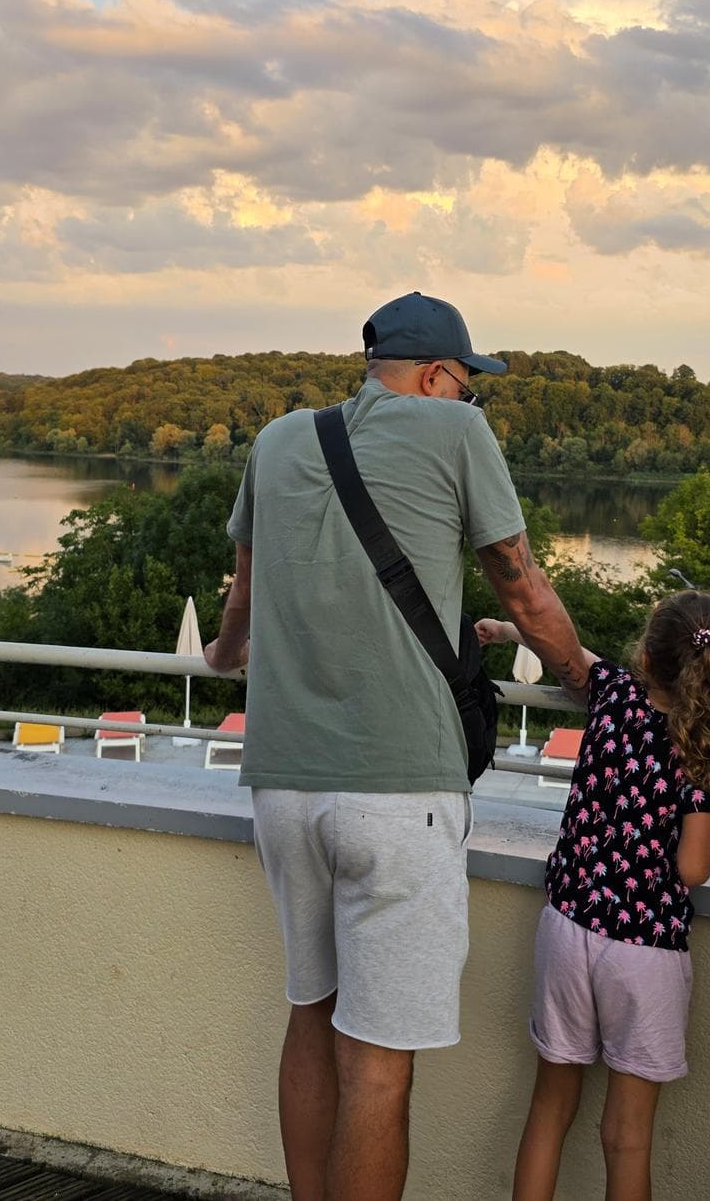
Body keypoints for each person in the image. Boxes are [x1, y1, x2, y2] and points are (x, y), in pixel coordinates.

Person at [203, 292, 590, 1201]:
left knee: (311, 1013)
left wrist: (222, 659)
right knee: (377, 1064)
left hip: (283, 783)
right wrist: (580, 670)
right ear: (430, 377)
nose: (470, 403)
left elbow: (243, 592)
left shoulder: (280, 440)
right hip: (398, 792)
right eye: (467, 386)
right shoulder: (455, 436)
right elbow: (521, 586)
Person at [483, 589, 710, 1201]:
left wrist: (507, 629)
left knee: (549, 1108)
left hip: (568, 927)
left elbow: (568, 653)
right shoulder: (707, 744)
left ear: (645, 661)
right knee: (627, 1136)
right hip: (644, 950)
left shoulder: (614, 695)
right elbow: (694, 867)